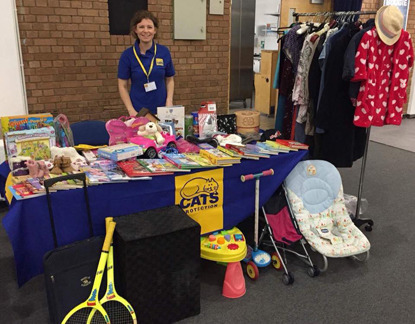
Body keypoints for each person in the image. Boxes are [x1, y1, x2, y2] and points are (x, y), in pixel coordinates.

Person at [118, 10, 175, 116]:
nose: (145, 31)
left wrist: (169, 101)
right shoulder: (127, 55)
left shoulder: (164, 52)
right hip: (138, 111)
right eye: (141, 27)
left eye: (149, 27)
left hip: (162, 109)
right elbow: (122, 86)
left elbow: (170, 79)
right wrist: (131, 110)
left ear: (155, 30)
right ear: (135, 30)